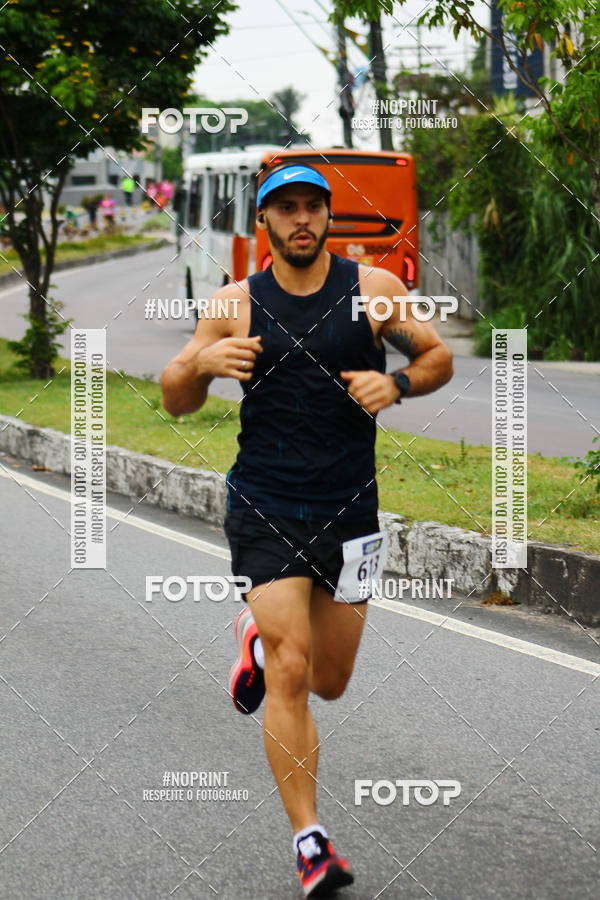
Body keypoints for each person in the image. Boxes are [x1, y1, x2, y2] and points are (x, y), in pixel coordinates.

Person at [161, 164, 453, 897]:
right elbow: (174, 399)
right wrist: (200, 364)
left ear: (328, 218)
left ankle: (253, 637)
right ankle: (310, 842)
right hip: (264, 503)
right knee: (291, 672)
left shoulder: (374, 292)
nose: (300, 220)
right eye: (285, 209)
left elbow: (437, 354)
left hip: (351, 509)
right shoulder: (234, 304)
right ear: (265, 224)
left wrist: (399, 383)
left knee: (329, 680)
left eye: (311, 208)